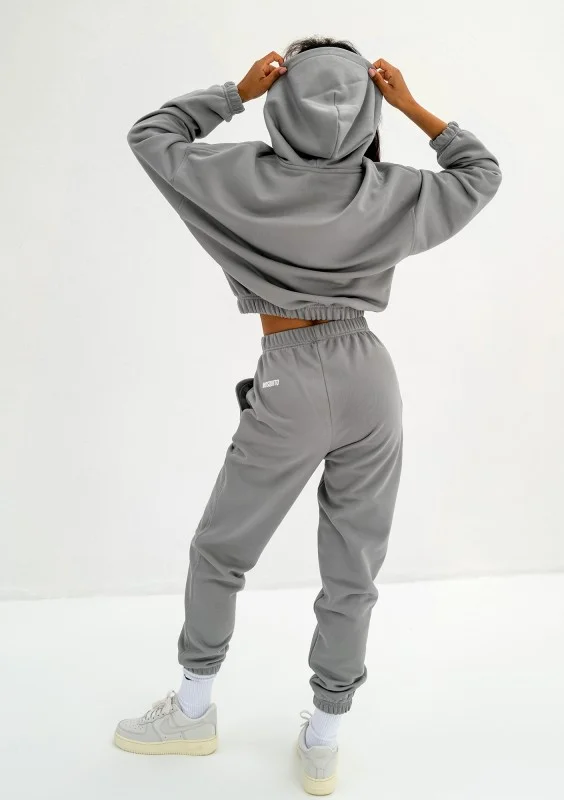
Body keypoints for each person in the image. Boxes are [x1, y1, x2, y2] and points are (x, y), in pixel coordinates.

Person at [115, 36, 502, 795]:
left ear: (282, 102)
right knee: (353, 568)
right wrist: (411, 107)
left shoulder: (237, 177)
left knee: (221, 551)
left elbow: (151, 134)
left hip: (289, 375)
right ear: (367, 110)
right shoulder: (389, 190)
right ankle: (324, 739)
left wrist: (236, 93)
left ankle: (192, 711)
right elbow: (481, 172)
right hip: (370, 378)